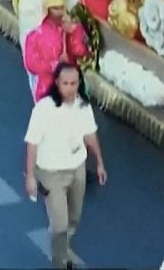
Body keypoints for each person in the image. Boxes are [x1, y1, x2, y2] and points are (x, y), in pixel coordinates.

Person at [24, 62, 107, 270]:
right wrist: (30, 176)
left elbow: (90, 135)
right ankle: (60, 262)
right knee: (59, 222)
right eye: (66, 83)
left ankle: (63, 248)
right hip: (51, 172)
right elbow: (32, 143)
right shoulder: (43, 109)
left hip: (77, 167)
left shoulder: (83, 106)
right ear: (57, 84)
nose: (70, 88)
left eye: (74, 83)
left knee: (74, 218)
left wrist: (99, 163)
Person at [24, 0, 90, 103]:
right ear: (48, 10)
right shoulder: (35, 36)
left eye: (61, 8)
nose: (59, 12)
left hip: (70, 88)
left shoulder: (69, 30)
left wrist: (75, 32)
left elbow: (80, 52)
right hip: (47, 89)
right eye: (55, 8)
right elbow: (31, 64)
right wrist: (55, 64)